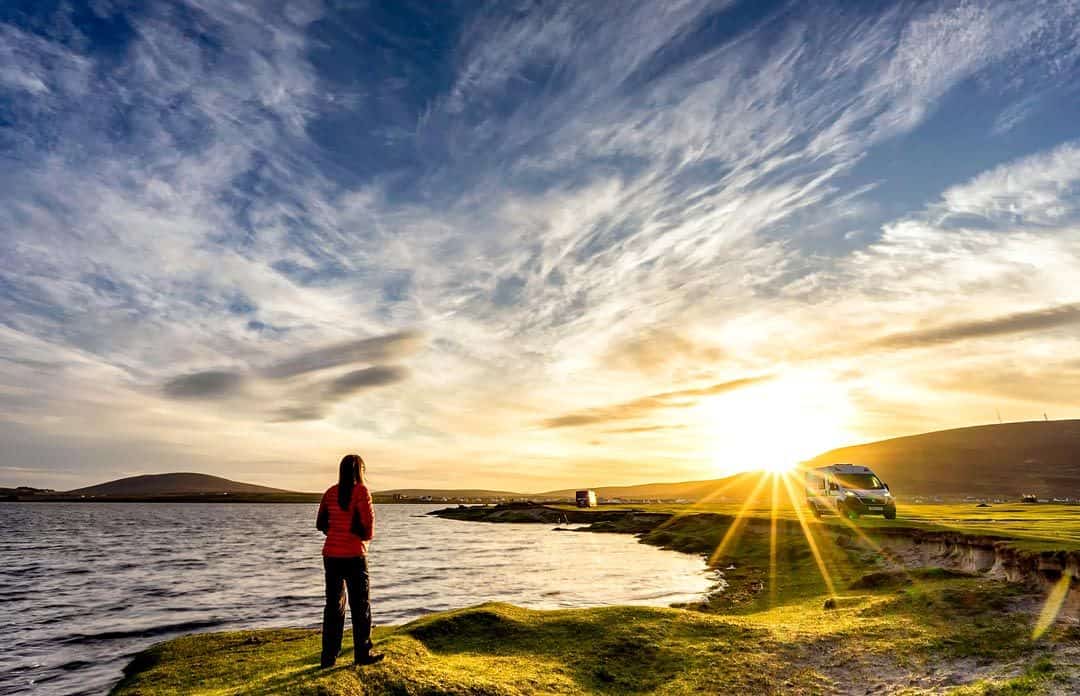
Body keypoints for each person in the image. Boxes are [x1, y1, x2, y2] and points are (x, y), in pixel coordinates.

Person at [316, 453, 383, 667]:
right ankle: (362, 654)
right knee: (360, 606)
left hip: (331, 556)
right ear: (359, 471)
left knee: (333, 607)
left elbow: (320, 524)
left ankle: (328, 657)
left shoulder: (330, 492)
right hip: (354, 555)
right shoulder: (361, 492)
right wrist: (354, 535)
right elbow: (368, 530)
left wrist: (336, 533)